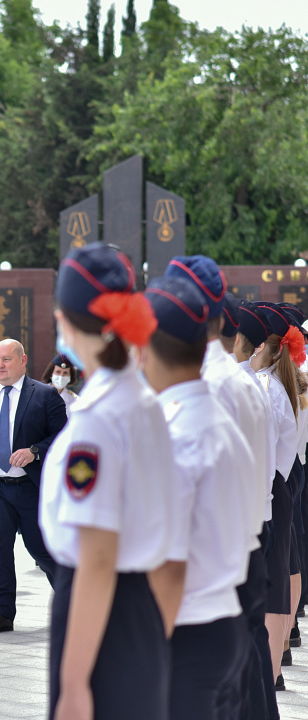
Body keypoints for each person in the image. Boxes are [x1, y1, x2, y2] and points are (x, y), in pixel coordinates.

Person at [40, 243, 181, 720]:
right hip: (138, 609)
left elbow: (97, 558)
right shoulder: (142, 401)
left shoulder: (96, 420)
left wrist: (75, 683)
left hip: (101, 615)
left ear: (67, 319)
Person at [166, 260, 277, 720]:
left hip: (218, 550)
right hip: (245, 536)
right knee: (246, 672)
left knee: (224, 687)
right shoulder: (235, 378)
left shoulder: (208, 385)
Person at [141, 275, 253, 720]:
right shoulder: (204, 418)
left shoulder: (181, 434)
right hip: (215, 617)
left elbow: (171, 565)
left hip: (185, 627)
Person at [0, 337, 66, 635]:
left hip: (31, 487)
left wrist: (34, 450)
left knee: (41, 548)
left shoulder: (45, 395)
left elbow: (65, 437)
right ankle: (1, 612)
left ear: (23, 361)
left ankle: (72, 599)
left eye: (6, 359)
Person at [251, 302, 305, 690]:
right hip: (278, 481)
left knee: (275, 579)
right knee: (281, 572)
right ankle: (277, 660)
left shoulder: (268, 388)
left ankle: (273, 667)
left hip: (271, 483)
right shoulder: (276, 384)